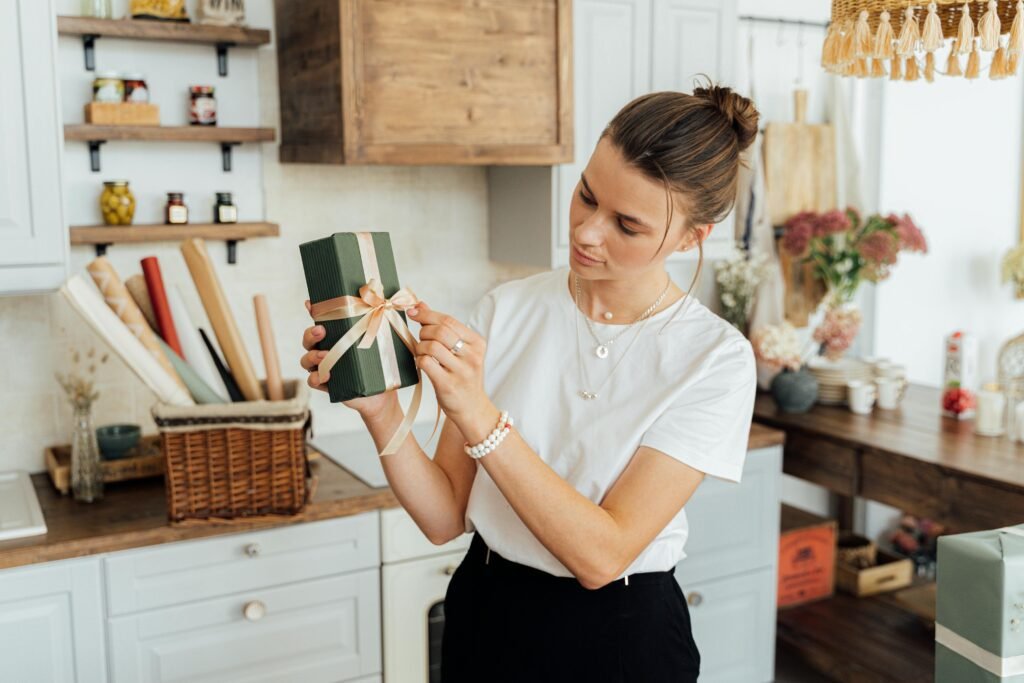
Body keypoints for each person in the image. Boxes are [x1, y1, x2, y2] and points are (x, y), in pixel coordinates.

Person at [300, 78, 761, 683]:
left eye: (627, 225)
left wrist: (479, 414)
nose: (587, 232)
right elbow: (444, 517)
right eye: (586, 195)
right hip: (487, 614)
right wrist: (382, 411)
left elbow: (602, 555)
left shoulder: (714, 358)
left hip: (621, 637)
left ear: (691, 237)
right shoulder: (508, 309)